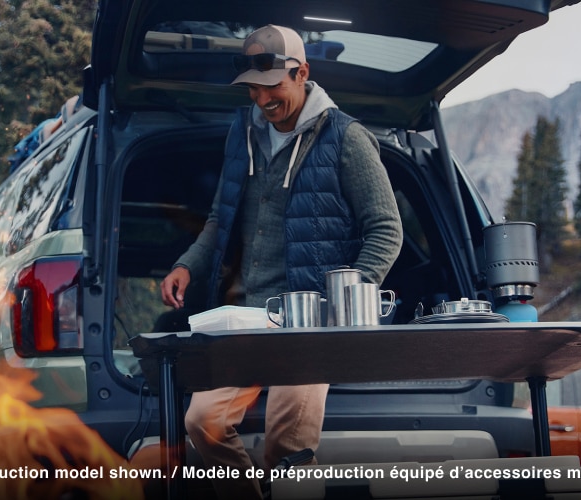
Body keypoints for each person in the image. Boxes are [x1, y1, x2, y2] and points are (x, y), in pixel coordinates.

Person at [158, 24, 402, 499]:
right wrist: (188, 263)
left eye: (272, 87)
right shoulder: (242, 133)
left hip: (309, 326)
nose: (262, 99)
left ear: (302, 73)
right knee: (201, 419)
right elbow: (219, 217)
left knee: (288, 450)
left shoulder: (345, 138)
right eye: (252, 88)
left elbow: (386, 230)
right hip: (248, 319)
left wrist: (343, 306)